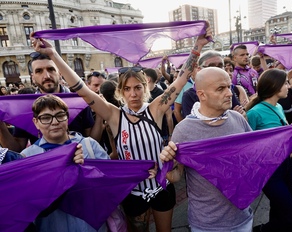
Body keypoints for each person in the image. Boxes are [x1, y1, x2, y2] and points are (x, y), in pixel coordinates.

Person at [31, 23, 212, 232]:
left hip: (162, 187)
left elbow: (181, 79)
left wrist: (198, 45)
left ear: (145, 88)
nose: (133, 94)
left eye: (138, 88)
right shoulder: (114, 115)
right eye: (127, 89)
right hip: (133, 192)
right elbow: (80, 88)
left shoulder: (156, 109)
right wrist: (53, 54)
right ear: (120, 92)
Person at [160, 67, 254, 231]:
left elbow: (255, 156)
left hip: (242, 217)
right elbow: (176, 176)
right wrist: (168, 164)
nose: (229, 93)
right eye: (220, 89)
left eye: (228, 87)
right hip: (206, 223)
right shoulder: (184, 130)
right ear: (202, 94)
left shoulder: (238, 119)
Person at [21, 94, 106, 232]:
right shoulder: (28, 157)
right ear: (36, 122)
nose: (54, 122)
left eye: (60, 115)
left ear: (67, 118)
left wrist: (86, 169)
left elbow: (108, 183)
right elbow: (25, 201)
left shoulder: (90, 146)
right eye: (46, 118)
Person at [0, 53, 95, 152]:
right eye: (39, 71)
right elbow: (17, 149)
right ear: (33, 77)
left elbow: (92, 140)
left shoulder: (79, 101)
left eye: (51, 69)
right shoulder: (25, 108)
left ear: (60, 73)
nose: (46, 76)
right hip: (43, 166)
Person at [245, 69, 292, 232]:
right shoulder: (254, 113)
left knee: (279, 213)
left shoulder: (277, 106)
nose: (289, 86)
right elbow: (247, 147)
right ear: (275, 86)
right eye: (285, 83)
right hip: (269, 171)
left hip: (285, 166)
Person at [181, 50, 247, 118]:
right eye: (211, 66)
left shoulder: (227, 90)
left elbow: (241, 116)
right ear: (199, 69)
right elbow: (192, 124)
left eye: (220, 66)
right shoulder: (189, 96)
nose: (216, 69)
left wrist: (240, 116)